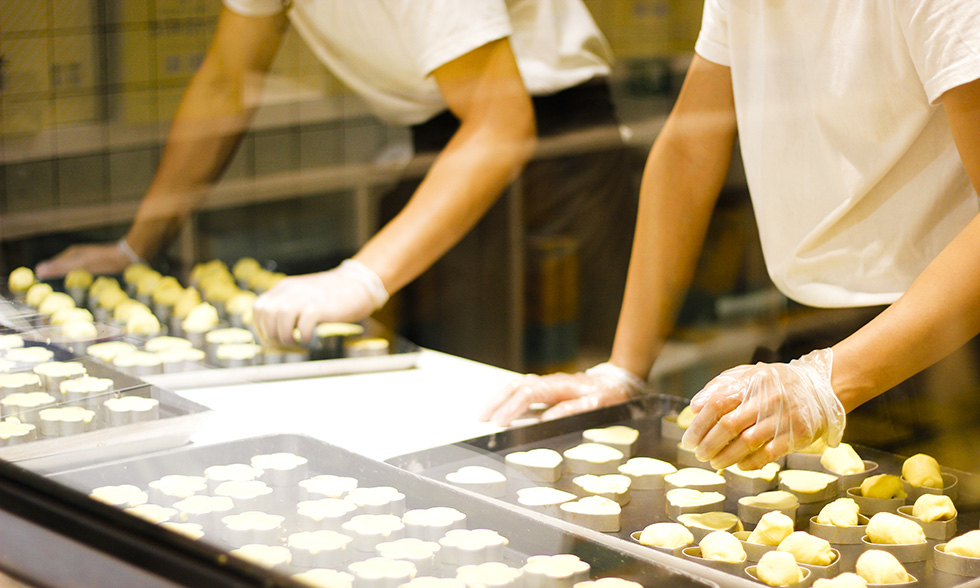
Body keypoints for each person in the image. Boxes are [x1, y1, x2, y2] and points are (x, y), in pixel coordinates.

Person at [483, 0, 980, 470]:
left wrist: (825, 384)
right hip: (813, 332)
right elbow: (688, 152)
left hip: (944, 341)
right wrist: (623, 369)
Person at [35, 0, 635, 361]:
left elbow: (503, 124)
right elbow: (226, 78)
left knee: (565, 383)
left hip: (560, 149)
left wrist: (360, 277)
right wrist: (135, 248)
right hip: (445, 137)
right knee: (453, 379)